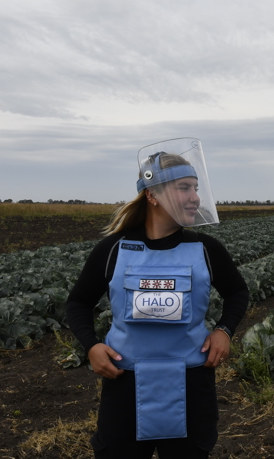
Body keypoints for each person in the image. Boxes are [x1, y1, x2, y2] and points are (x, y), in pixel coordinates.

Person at [66, 138, 249, 458]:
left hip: (191, 385)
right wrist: (91, 346)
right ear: (152, 194)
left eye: (196, 188)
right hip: (125, 384)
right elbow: (78, 302)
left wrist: (224, 330)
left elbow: (237, 292)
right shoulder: (113, 249)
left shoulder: (206, 249)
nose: (195, 197)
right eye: (184, 188)